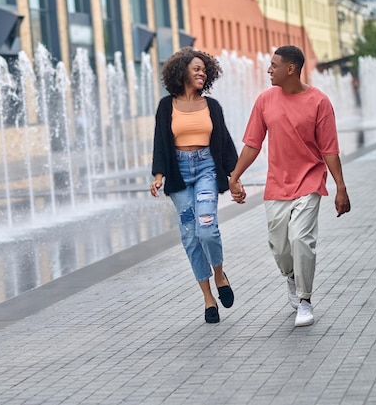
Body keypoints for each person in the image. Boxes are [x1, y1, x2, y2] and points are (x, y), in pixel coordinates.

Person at [228, 45, 351, 327]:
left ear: (291, 69)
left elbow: (330, 149)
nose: (269, 69)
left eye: (274, 65)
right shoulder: (264, 101)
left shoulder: (319, 102)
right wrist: (234, 176)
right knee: (280, 247)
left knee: (300, 238)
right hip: (277, 186)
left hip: (310, 180)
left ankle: (305, 301)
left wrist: (340, 187)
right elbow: (252, 145)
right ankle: (293, 278)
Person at [150, 47, 241, 324]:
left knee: (207, 228)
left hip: (205, 169)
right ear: (182, 72)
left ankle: (219, 274)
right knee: (190, 236)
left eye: (204, 69)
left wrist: (234, 177)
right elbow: (160, 142)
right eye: (196, 69)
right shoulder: (167, 106)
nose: (201, 72)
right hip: (178, 174)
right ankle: (208, 297)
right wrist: (158, 174)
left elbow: (224, 143)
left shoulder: (211, 106)